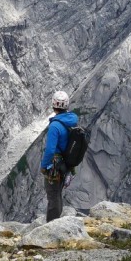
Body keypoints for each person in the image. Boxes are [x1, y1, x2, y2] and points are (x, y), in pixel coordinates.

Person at [40, 90, 78, 221]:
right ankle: (58, 221)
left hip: (54, 166)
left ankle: (52, 224)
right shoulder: (72, 120)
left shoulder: (55, 126)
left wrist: (44, 166)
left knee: (52, 195)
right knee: (57, 193)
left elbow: (50, 150)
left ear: (53, 104)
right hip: (65, 165)